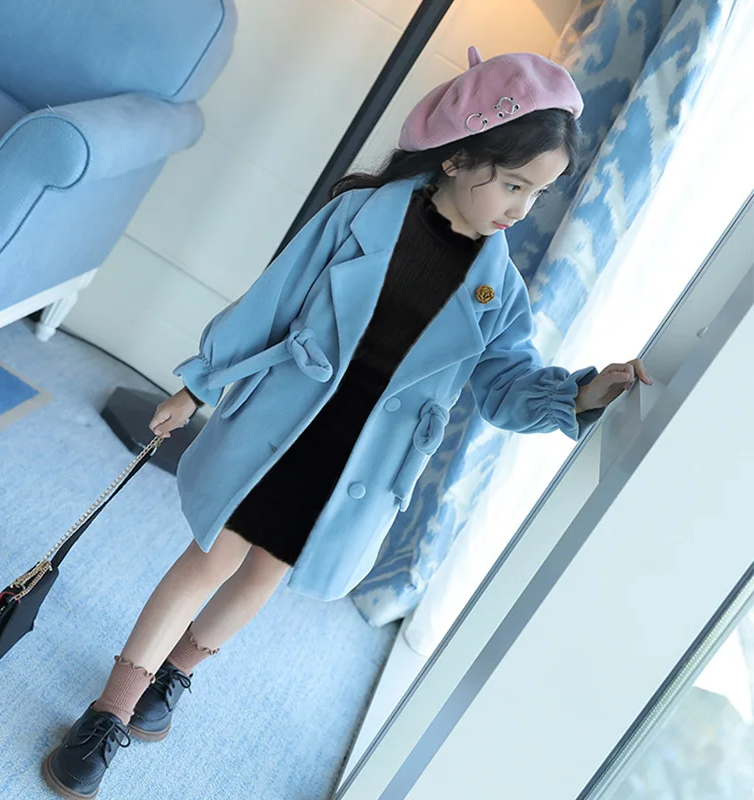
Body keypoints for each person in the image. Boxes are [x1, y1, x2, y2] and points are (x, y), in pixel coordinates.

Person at [42, 47, 652, 799]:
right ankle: (110, 710)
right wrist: (196, 385)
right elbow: (272, 303)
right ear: (459, 155)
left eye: (539, 193)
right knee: (208, 559)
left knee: (266, 571)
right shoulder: (359, 214)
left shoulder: (500, 293)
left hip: (364, 463)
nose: (522, 209)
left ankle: (176, 673)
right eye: (514, 184)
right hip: (284, 425)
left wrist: (580, 396)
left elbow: (506, 386)